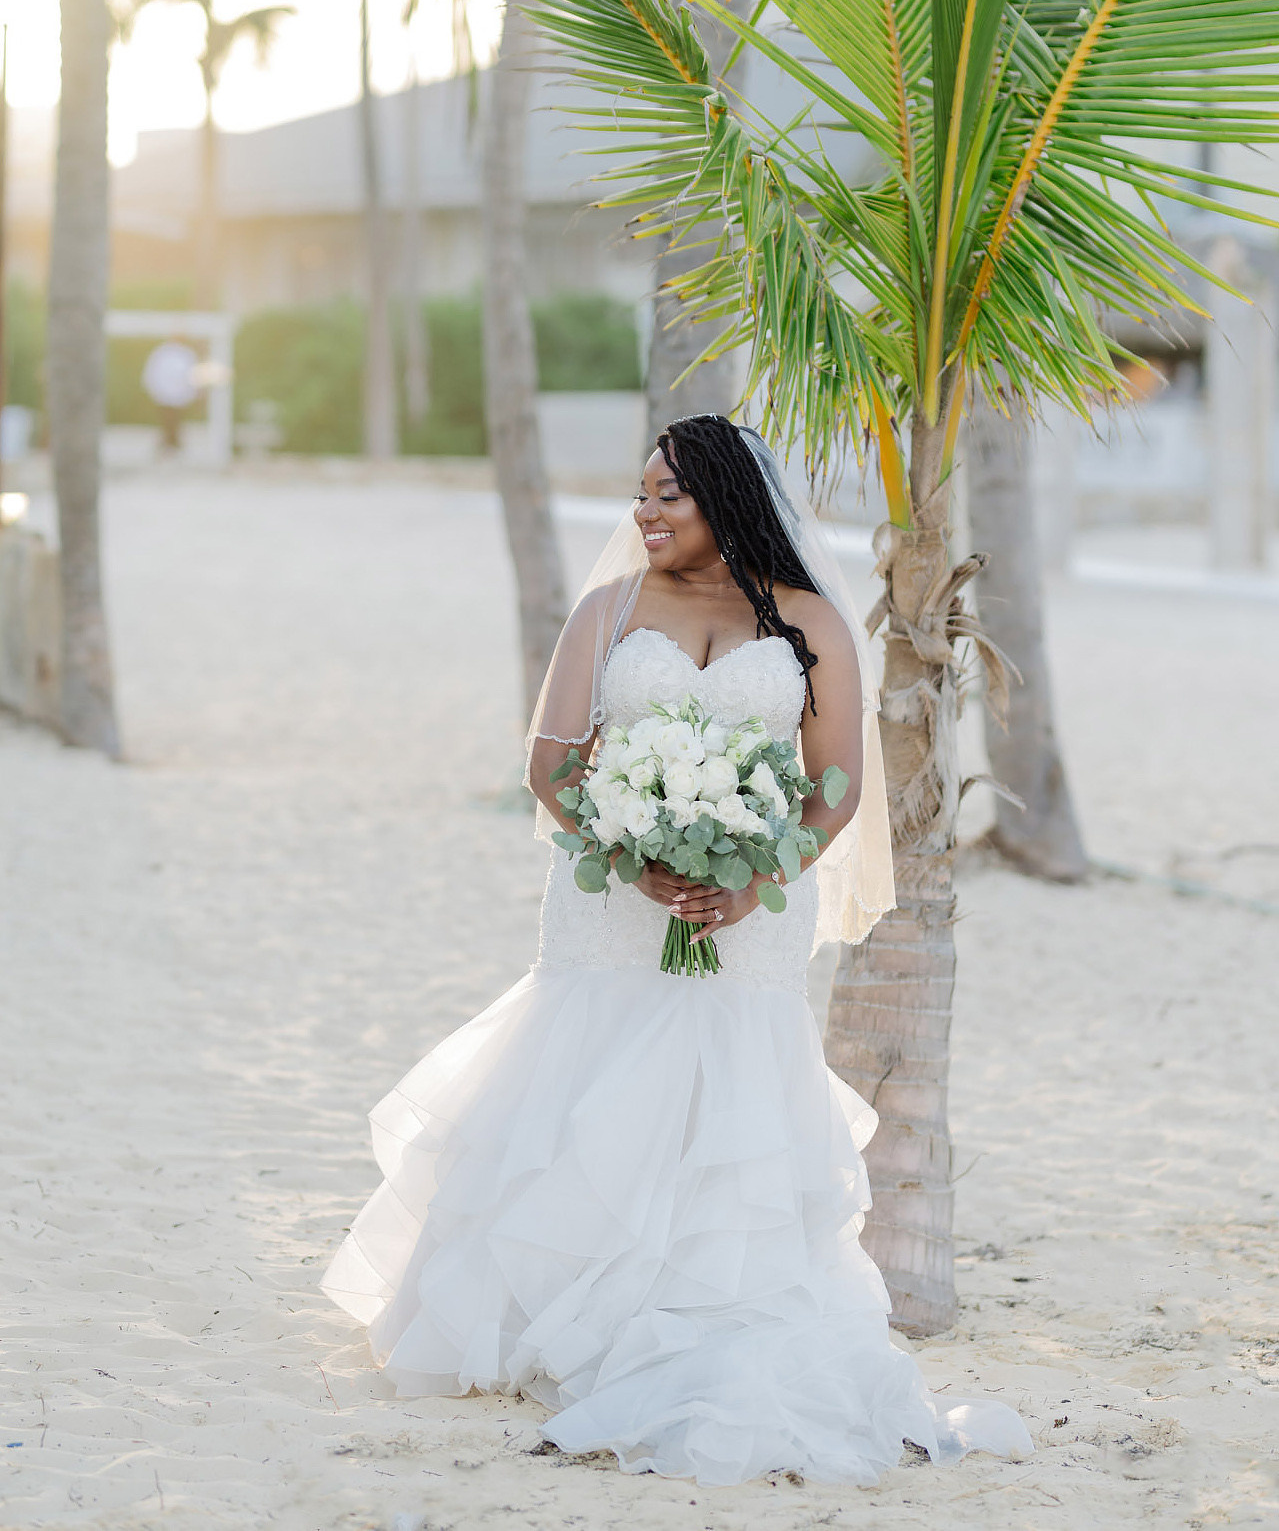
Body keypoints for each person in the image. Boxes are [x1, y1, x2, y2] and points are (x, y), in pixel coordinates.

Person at [321, 415, 1033, 1484]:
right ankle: (559, 1317)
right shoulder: (608, 610)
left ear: (728, 503)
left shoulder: (808, 624)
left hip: (748, 912)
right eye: (640, 494)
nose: (645, 513)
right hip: (612, 906)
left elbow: (834, 785)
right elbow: (551, 764)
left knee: (725, 1097)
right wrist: (632, 848)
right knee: (589, 1082)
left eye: (671, 496)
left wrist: (755, 878)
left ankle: (691, 1305)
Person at [141, 339, 200, 451]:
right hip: (166, 396)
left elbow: (191, 376)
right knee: (168, 420)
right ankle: (169, 445)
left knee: (174, 421)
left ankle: (173, 445)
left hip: (178, 396)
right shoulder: (163, 353)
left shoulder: (185, 354)